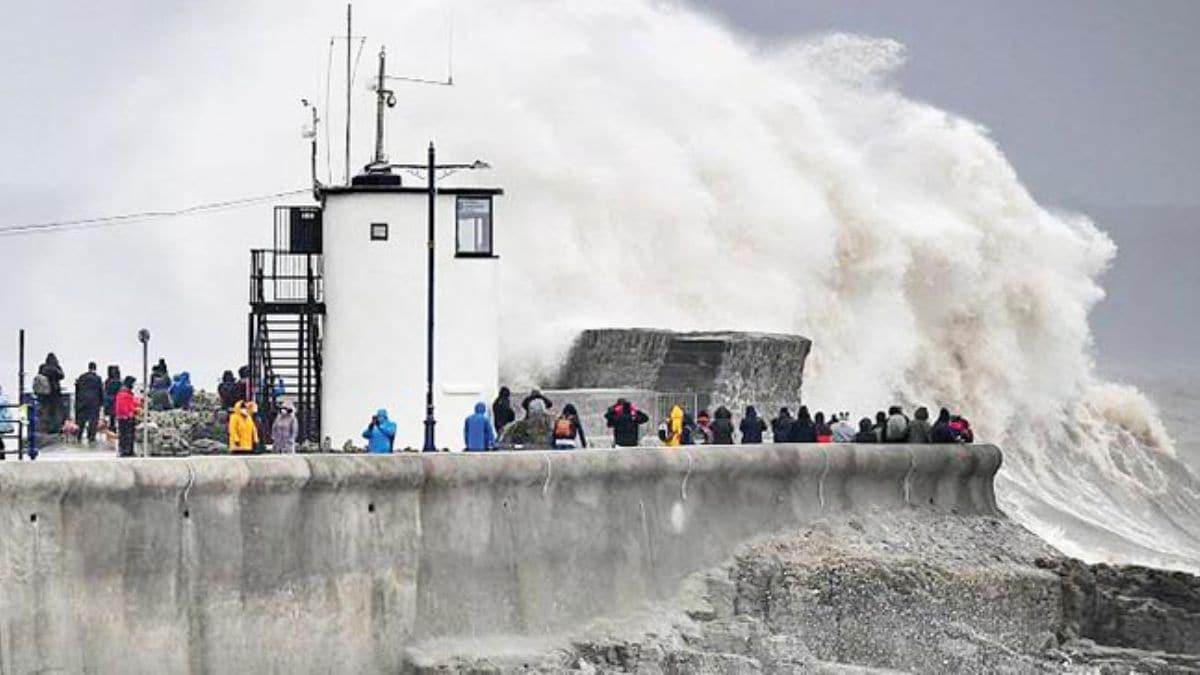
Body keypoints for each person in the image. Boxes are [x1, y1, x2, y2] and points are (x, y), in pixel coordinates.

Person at [72, 362, 104, 444]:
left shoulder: (81, 377)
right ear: (95, 368)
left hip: (82, 401)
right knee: (93, 420)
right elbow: (101, 391)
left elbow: (77, 388)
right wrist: (101, 403)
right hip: (94, 402)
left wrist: (77, 401)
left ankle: (79, 436)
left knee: (81, 420)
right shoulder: (98, 378)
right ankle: (91, 437)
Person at [35, 353, 65, 434]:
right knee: (56, 412)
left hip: (44, 393)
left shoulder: (43, 367)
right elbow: (62, 376)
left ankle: (44, 428)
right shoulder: (56, 367)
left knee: (45, 411)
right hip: (55, 393)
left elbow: (39, 376)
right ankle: (55, 429)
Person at [114, 376, 139, 457]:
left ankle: (125, 450)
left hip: (123, 417)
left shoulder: (122, 392)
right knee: (128, 434)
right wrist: (131, 412)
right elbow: (126, 406)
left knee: (124, 434)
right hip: (127, 417)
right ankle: (127, 450)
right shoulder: (125, 393)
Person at [0, 384, 13, 459]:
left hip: (2, 424)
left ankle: (2, 456)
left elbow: (2, 402)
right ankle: (2, 455)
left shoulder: (3, 398)